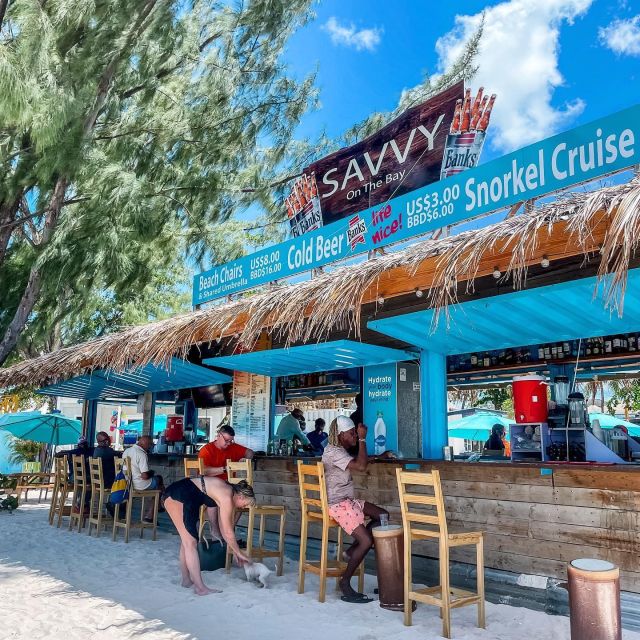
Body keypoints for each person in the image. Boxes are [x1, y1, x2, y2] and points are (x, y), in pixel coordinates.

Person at [322, 415, 388, 603]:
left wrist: (378, 457)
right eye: (351, 434)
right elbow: (360, 465)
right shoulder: (334, 452)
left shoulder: (338, 450)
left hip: (347, 501)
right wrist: (362, 438)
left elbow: (358, 461)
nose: (353, 436)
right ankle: (345, 582)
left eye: (354, 433)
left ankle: (352, 551)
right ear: (341, 434)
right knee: (366, 541)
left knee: (382, 515)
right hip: (337, 504)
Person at [163, 475, 255, 595]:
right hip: (180, 495)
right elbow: (228, 531)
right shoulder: (227, 497)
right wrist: (239, 553)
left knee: (186, 541)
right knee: (190, 542)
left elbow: (223, 529)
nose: (243, 507)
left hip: (185, 495)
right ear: (241, 496)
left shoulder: (227, 491)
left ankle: (186, 580)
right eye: (245, 504)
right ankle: (200, 588)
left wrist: (235, 550)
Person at [122, 435, 164, 521]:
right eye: (150, 445)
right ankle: (150, 514)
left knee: (158, 484)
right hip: (139, 485)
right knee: (159, 482)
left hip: (127, 484)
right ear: (145, 444)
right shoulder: (142, 454)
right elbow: (144, 476)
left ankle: (157, 507)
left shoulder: (126, 451)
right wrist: (152, 473)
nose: (150, 447)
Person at [92, 431, 121, 515]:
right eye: (105, 440)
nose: (107, 442)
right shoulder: (106, 451)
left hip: (98, 481)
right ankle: (113, 506)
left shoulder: (97, 450)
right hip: (106, 482)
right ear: (99, 442)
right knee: (127, 485)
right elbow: (119, 455)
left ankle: (113, 506)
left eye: (107, 439)